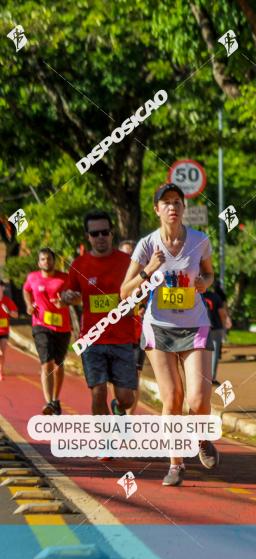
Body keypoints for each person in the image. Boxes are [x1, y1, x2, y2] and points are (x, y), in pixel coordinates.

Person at [122, 183, 218, 487]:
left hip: (195, 325)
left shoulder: (200, 240)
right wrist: (148, 270)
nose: (172, 207)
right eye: (166, 203)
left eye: (177, 202)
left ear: (183, 208)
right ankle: (176, 464)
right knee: (172, 398)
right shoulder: (146, 245)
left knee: (198, 398)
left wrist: (204, 282)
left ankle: (202, 438)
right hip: (159, 328)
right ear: (157, 209)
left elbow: (209, 273)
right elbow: (124, 293)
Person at [61, 211, 139, 426]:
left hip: (122, 338)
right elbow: (69, 295)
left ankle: (117, 407)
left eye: (105, 232)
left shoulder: (127, 262)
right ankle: (105, 437)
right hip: (92, 340)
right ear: (88, 236)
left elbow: (141, 289)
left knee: (127, 398)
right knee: (98, 391)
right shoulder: (79, 265)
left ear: (112, 233)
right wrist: (68, 297)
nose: (101, 237)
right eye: (95, 233)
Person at [23, 248, 72, 415]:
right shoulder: (32, 278)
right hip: (40, 325)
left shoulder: (64, 278)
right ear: (39, 262)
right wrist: (29, 305)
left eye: (49, 259)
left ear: (54, 261)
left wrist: (65, 301)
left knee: (58, 365)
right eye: (43, 259)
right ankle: (48, 401)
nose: (46, 262)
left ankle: (55, 399)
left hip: (62, 327)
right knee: (46, 363)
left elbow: (73, 295)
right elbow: (26, 290)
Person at [202, 285, 231, 385]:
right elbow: (222, 313)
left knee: (200, 353)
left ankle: (201, 377)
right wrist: (224, 328)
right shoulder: (215, 296)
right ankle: (212, 377)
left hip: (200, 328)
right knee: (214, 354)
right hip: (216, 327)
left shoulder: (194, 295)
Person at [0, 281, 20, 380]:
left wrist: (8, 311)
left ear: (3, 288)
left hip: (4, 331)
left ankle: (0, 372)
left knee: (2, 353)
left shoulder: (7, 301)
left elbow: (16, 315)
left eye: (0, 287)